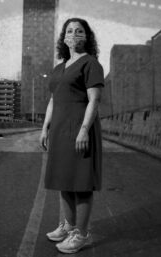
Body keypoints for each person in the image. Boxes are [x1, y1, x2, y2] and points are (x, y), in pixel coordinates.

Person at [39, 17, 104, 254]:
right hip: (59, 129)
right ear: (63, 37)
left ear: (86, 36)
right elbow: (53, 100)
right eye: (69, 31)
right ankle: (67, 225)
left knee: (81, 182)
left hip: (79, 128)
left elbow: (94, 99)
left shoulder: (90, 64)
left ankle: (81, 234)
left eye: (79, 31)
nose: (74, 35)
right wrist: (45, 127)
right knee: (63, 180)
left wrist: (84, 130)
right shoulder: (59, 68)